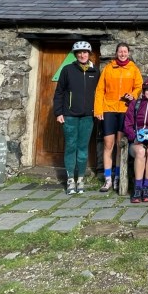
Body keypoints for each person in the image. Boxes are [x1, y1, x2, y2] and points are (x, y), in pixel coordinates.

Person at [94, 42, 143, 192]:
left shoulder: (133, 69)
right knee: (108, 144)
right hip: (108, 109)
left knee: (120, 144)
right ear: (116, 53)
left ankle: (117, 177)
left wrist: (133, 95)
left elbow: (139, 86)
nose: (122, 54)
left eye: (125, 51)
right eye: (120, 51)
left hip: (124, 109)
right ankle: (107, 179)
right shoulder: (108, 68)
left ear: (128, 53)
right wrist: (98, 109)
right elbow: (100, 89)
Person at [52, 41, 99, 195]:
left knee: (83, 148)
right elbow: (59, 92)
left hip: (88, 116)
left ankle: (81, 179)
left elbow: (100, 94)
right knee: (71, 146)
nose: (82, 55)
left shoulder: (95, 72)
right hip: (69, 115)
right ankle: (70, 179)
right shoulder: (67, 70)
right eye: (79, 52)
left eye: (85, 52)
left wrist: (98, 111)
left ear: (89, 54)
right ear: (75, 54)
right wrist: (58, 112)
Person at [123, 77, 148, 203]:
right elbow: (127, 124)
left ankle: (147, 187)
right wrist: (133, 137)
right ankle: (138, 187)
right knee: (141, 152)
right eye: (147, 90)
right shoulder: (135, 105)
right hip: (136, 139)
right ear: (143, 91)